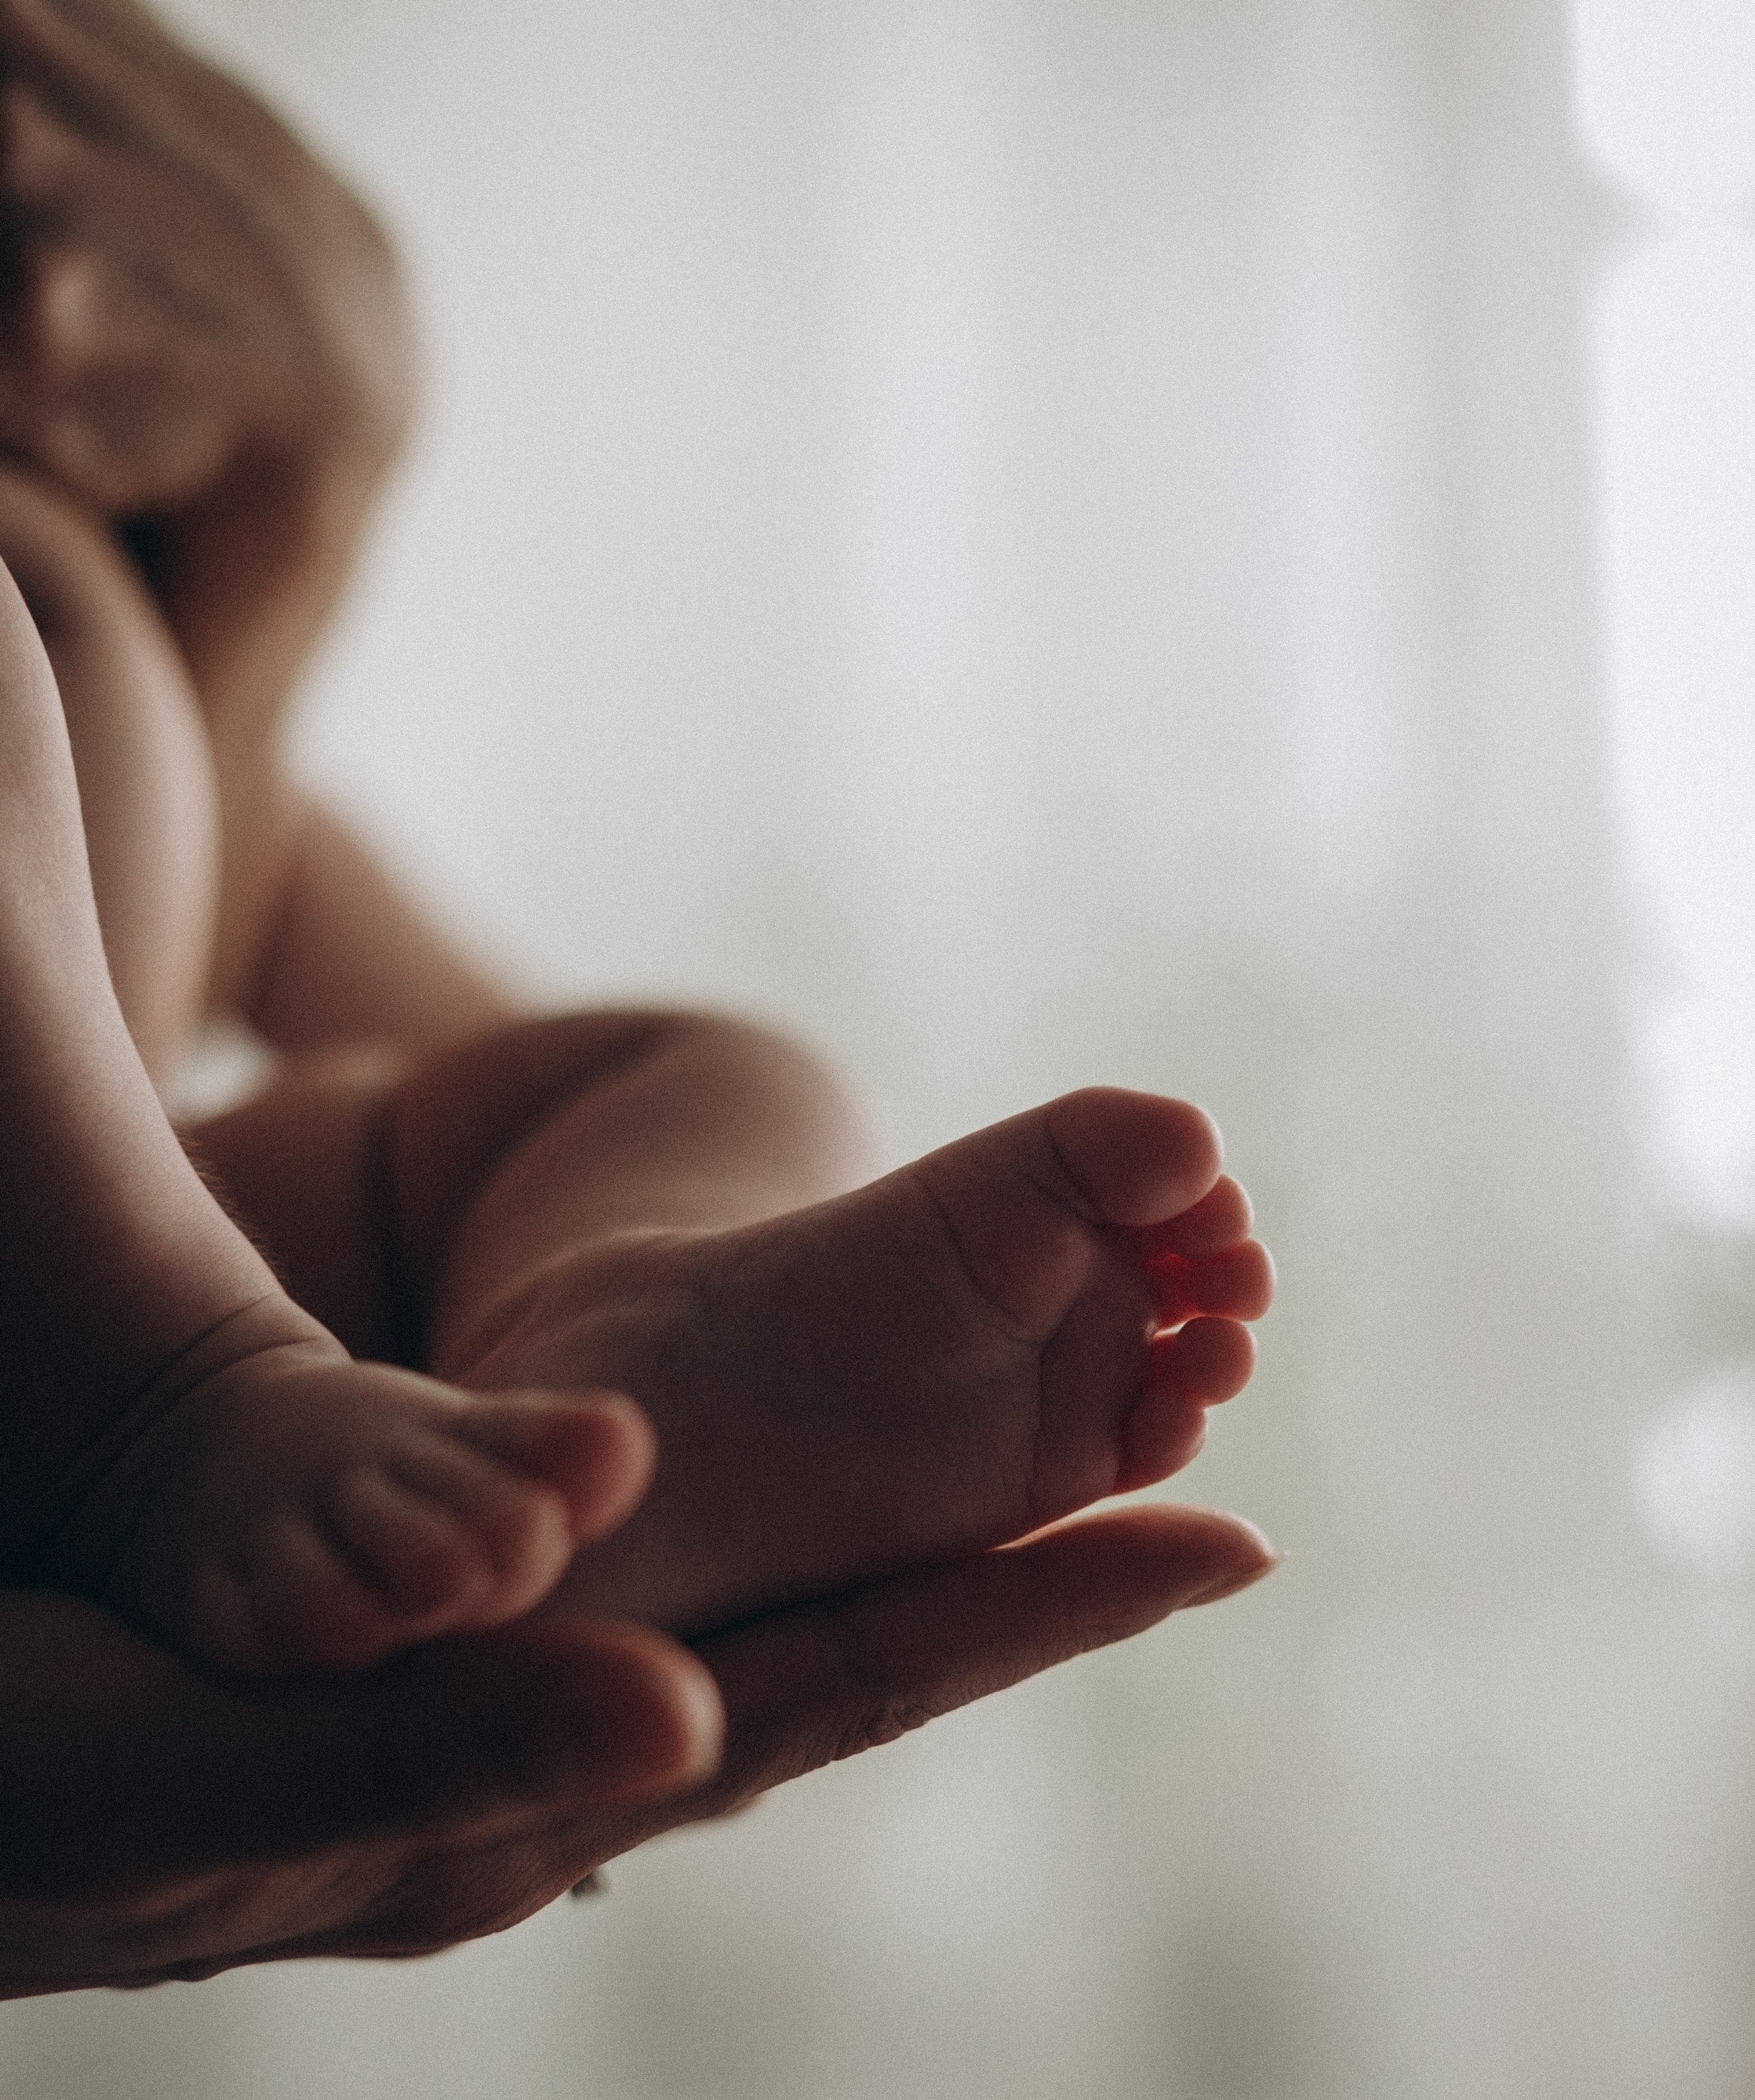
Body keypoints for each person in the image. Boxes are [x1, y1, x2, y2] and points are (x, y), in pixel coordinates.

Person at [0, 0, 1279, 1999]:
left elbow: (472, 1063)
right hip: (129, 1401)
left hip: (129, 1316)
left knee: (695, 1075)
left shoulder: (167, 704)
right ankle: (173, 1414)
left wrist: (562, 1248)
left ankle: (615, 1372)